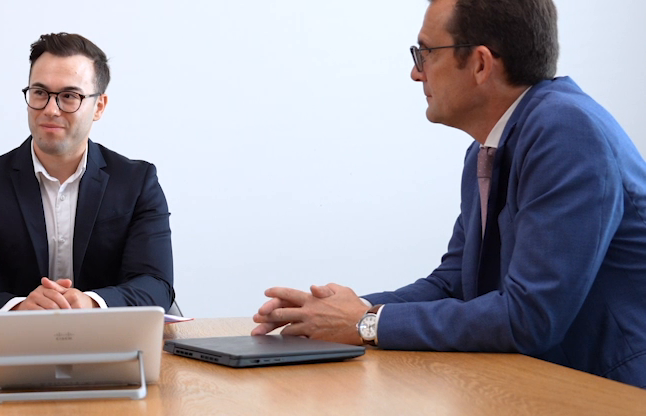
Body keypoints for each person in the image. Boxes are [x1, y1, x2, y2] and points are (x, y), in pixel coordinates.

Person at [251, 0, 646, 388]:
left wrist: (364, 324)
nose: (415, 73)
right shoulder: (487, 148)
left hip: (616, 395)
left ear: (480, 64)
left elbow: (531, 317)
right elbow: (454, 282)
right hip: (547, 386)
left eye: (425, 53)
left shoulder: (568, 132)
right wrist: (337, 312)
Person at [0, 33, 175, 325]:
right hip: (18, 343)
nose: (50, 109)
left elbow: (156, 285)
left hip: (110, 340)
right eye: (40, 92)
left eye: (69, 96)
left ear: (99, 106)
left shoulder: (137, 183)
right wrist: (18, 307)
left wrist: (92, 303)